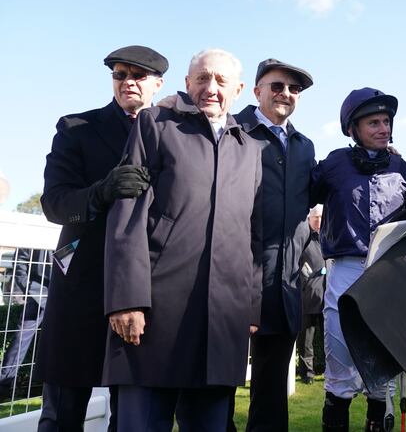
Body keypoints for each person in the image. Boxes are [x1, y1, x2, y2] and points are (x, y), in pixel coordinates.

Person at [103, 48, 263, 430]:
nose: (211, 88)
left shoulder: (250, 149)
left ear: (238, 89)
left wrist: (251, 308)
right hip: (154, 314)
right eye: (202, 79)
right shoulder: (155, 124)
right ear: (187, 83)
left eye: (221, 81)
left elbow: (252, 235)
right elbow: (127, 214)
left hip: (222, 321)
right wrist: (126, 300)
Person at [39, 45, 167, 431]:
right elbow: (54, 203)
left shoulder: (172, 134)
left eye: (138, 75)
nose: (127, 81)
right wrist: (100, 192)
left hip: (145, 285)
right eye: (120, 74)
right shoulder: (77, 127)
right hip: (83, 280)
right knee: (64, 405)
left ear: (157, 84)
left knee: (131, 409)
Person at [310, 88, 406, 432]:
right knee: (340, 365)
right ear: (352, 128)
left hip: (389, 276)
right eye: (374, 122)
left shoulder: (402, 169)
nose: (384, 128)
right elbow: (298, 195)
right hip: (345, 271)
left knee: (382, 376)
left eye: (387, 121)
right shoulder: (333, 165)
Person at [234, 58, 316, 432]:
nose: (285, 94)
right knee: (214, 388)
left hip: (283, 284)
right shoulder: (232, 130)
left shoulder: (304, 146)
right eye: (277, 86)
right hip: (231, 279)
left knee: (270, 391)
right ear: (256, 91)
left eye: (293, 89)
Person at [0, 248, 48, 401]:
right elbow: (20, 260)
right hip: (37, 294)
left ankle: (50, 388)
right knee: (20, 342)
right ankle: (3, 386)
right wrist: (28, 287)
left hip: (63, 293)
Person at [298, 204, 326, 384]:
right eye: (317, 218)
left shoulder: (327, 236)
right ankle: (306, 373)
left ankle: (323, 368)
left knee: (326, 337)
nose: (320, 221)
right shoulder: (304, 236)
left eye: (322, 217)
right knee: (306, 338)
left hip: (326, 295)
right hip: (307, 295)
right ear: (310, 218)